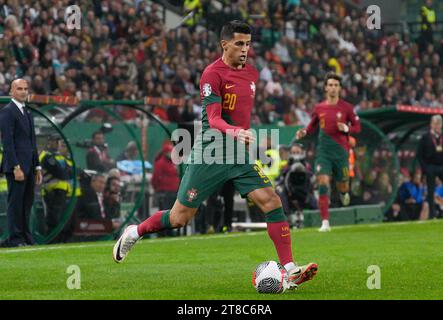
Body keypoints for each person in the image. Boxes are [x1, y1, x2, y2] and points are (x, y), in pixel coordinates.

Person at [113, 21, 318, 289]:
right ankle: (135, 232)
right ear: (225, 45)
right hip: (211, 151)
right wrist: (236, 131)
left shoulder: (252, 73)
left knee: (270, 200)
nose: (245, 49)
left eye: (248, 44)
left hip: (238, 153)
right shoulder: (212, 74)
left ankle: (289, 269)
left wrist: (245, 135)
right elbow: (214, 117)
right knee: (179, 218)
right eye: (239, 44)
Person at [296, 72, 361, 232]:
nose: (333, 88)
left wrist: (346, 128)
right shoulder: (319, 108)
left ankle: (344, 193)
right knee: (323, 182)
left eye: (336, 85)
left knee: (342, 185)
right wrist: (304, 132)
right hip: (323, 151)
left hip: (341, 152)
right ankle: (325, 222)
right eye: (330, 85)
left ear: (340, 88)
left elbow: (357, 127)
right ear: (325, 88)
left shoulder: (347, 108)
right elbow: (312, 126)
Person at [0, 79, 42, 247]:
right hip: (17, 167)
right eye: (19, 89)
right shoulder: (7, 112)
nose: (23, 92)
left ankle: (26, 236)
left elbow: (33, 142)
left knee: (27, 203)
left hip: (30, 167)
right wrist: (15, 166)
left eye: (25, 89)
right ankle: (15, 238)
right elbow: (8, 143)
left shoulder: (27, 112)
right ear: (11, 91)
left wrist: (37, 166)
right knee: (15, 203)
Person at [417, 114, 443, 219]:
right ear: (431, 124)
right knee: (430, 192)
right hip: (430, 167)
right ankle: (432, 216)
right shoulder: (425, 138)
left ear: (441, 125)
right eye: (435, 123)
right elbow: (419, 155)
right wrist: (425, 169)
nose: (437, 126)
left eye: (439, 123)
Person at [39, 135, 72, 236]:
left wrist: (66, 171)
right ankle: (51, 239)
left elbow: (70, 171)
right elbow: (62, 173)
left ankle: (59, 239)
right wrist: (66, 171)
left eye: (59, 141)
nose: (58, 144)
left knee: (62, 218)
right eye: (55, 141)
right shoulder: (46, 155)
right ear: (49, 142)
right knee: (53, 218)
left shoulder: (58, 156)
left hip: (62, 190)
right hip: (52, 190)